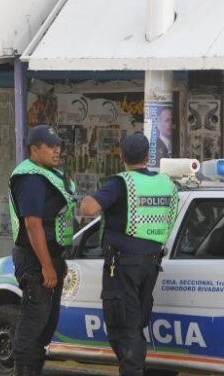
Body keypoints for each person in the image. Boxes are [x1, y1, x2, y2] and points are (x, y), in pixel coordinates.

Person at [80, 133, 179, 376]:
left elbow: (89, 209)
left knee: (123, 328)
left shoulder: (120, 183)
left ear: (122, 157)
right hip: (151, 264)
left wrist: (85, 199)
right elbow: (172, 216)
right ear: (148, 157)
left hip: (123, 266)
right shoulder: (167, 184)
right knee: (134, 325)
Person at [8, 124, 76, 375]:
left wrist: (56, 261)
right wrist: (47, 265)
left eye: (58, 145)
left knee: (45, 327)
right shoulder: (31, 178)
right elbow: (33, 224)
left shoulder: (47, 174)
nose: (56, 150)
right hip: (36, 260)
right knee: (33, 325)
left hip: (48, 258)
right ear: (34, 149)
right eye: (50, 146)